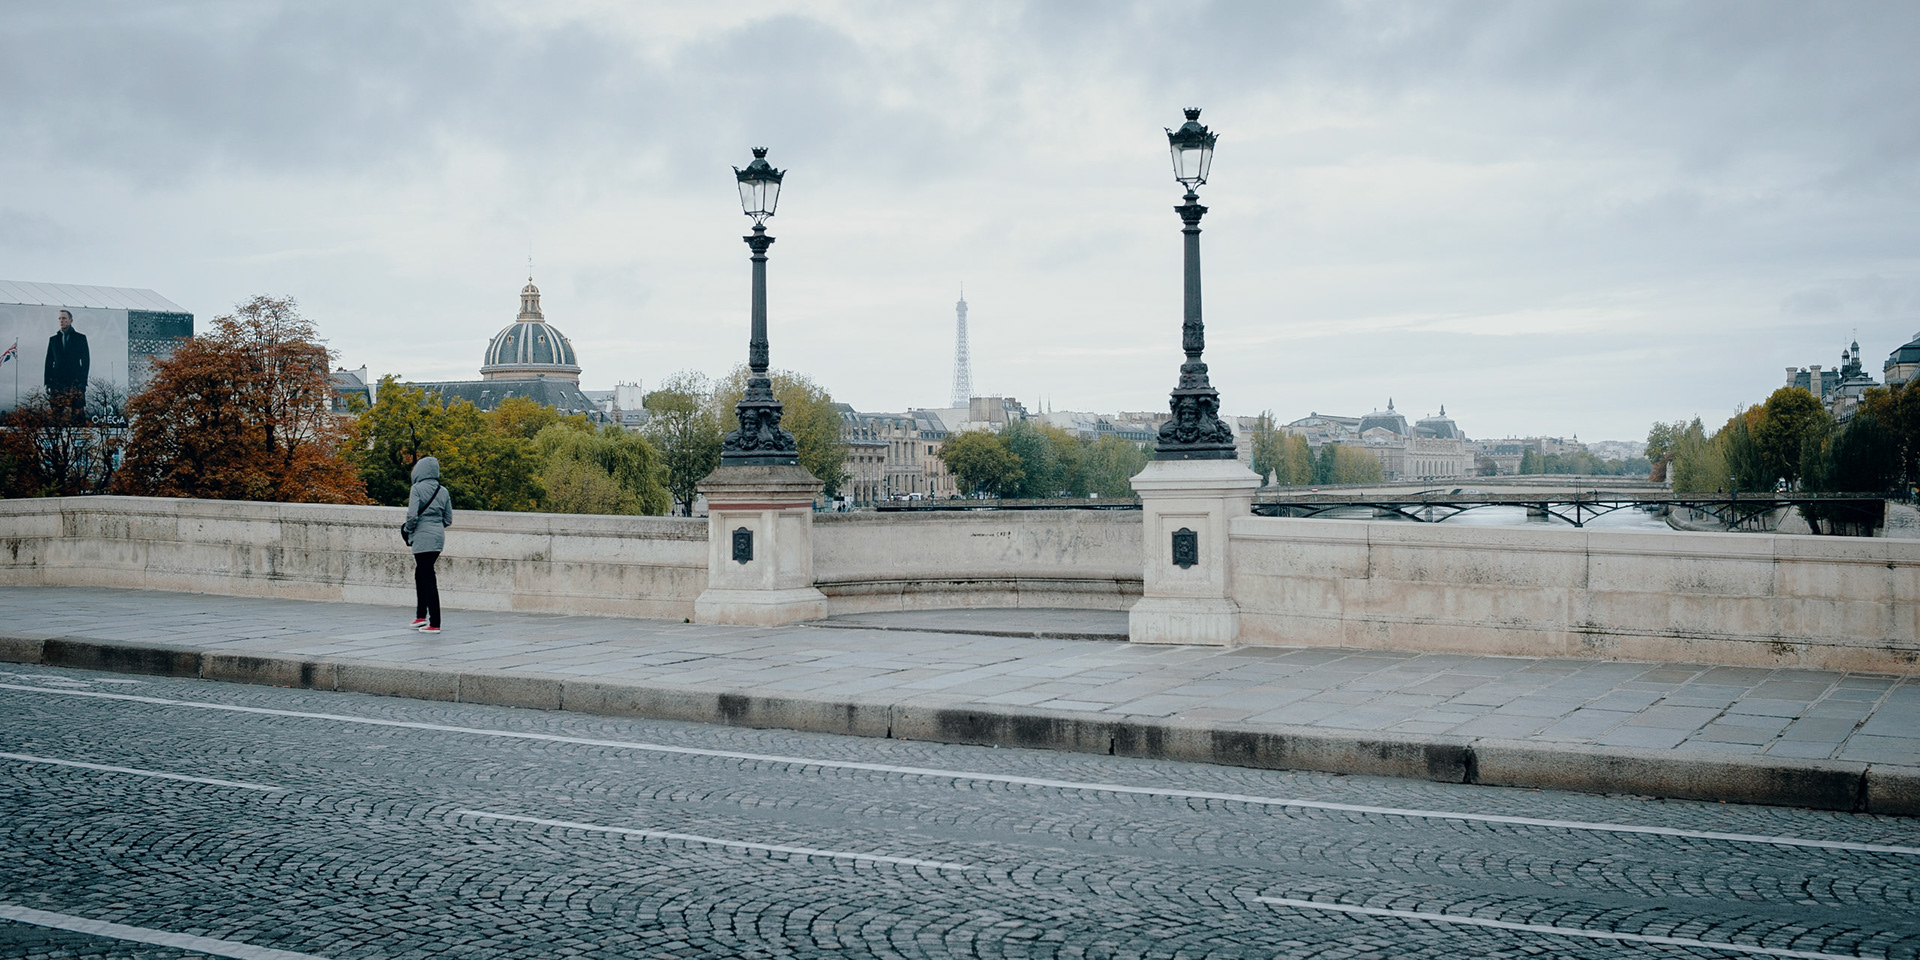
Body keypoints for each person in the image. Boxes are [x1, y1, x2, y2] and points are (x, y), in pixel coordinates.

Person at [402, 456, 453, 633]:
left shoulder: (416, 489)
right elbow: (448, 519)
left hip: (422, 538)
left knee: (428, 577)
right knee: (421, 573)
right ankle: (420, 615)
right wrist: (435, 527)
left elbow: (411, 516)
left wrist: (409, 529)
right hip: (438, 538)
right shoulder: (443, 491)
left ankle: (435, 623)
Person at [44, 309, 89, 419]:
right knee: (57, 416)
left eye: (64, 318)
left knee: (78, 416)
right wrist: (48, 382)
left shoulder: (80, 338)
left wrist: (83, 382)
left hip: (75, 382)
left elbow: (86, 362)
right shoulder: (53, 340)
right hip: (57, 382)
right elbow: (48, 362)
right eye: (59, 318)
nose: (61, 321)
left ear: (71, 320)